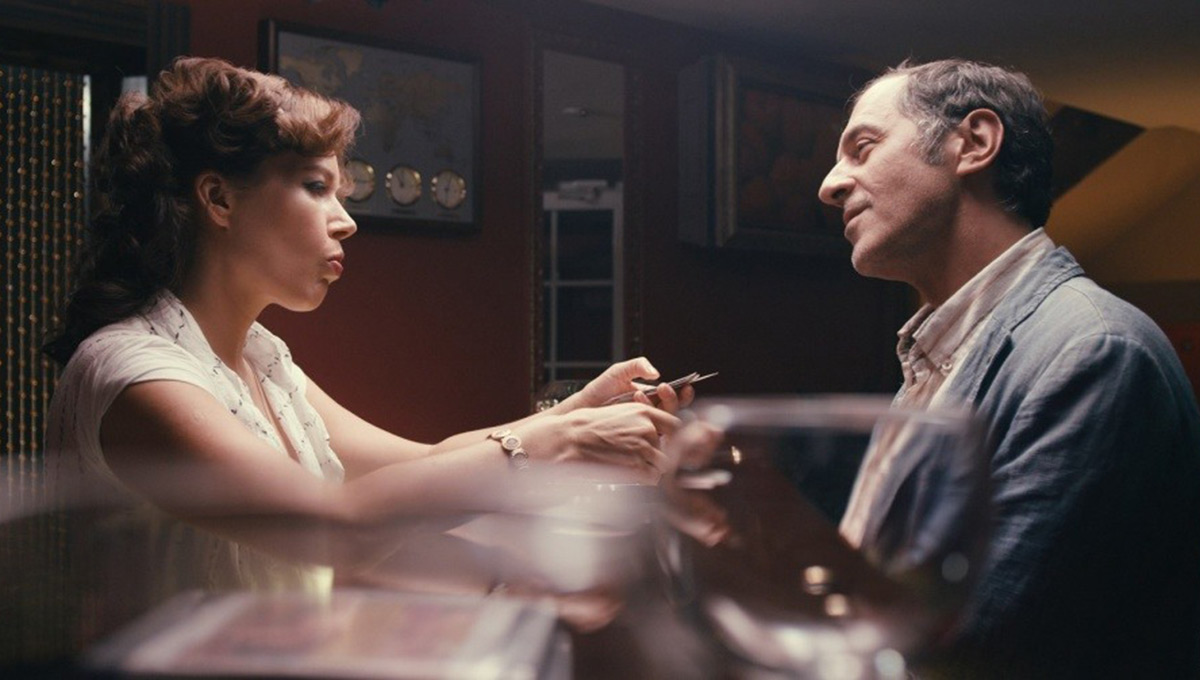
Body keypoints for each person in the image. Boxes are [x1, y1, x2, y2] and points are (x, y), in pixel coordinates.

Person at [42, 56, 688, 595]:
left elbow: (425, 464)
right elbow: (336, 528)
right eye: (316, 187)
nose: (347, 221)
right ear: (218, 198)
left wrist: (574, 415)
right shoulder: (134, 373)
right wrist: (560, 444)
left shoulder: (260, 357)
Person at [810, 59, 1200, 677]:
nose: (830, 185)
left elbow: (964, 649)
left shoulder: (1093, 351)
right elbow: (871, 591)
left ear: (974, 142)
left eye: (863, 148)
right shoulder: (937, 356)